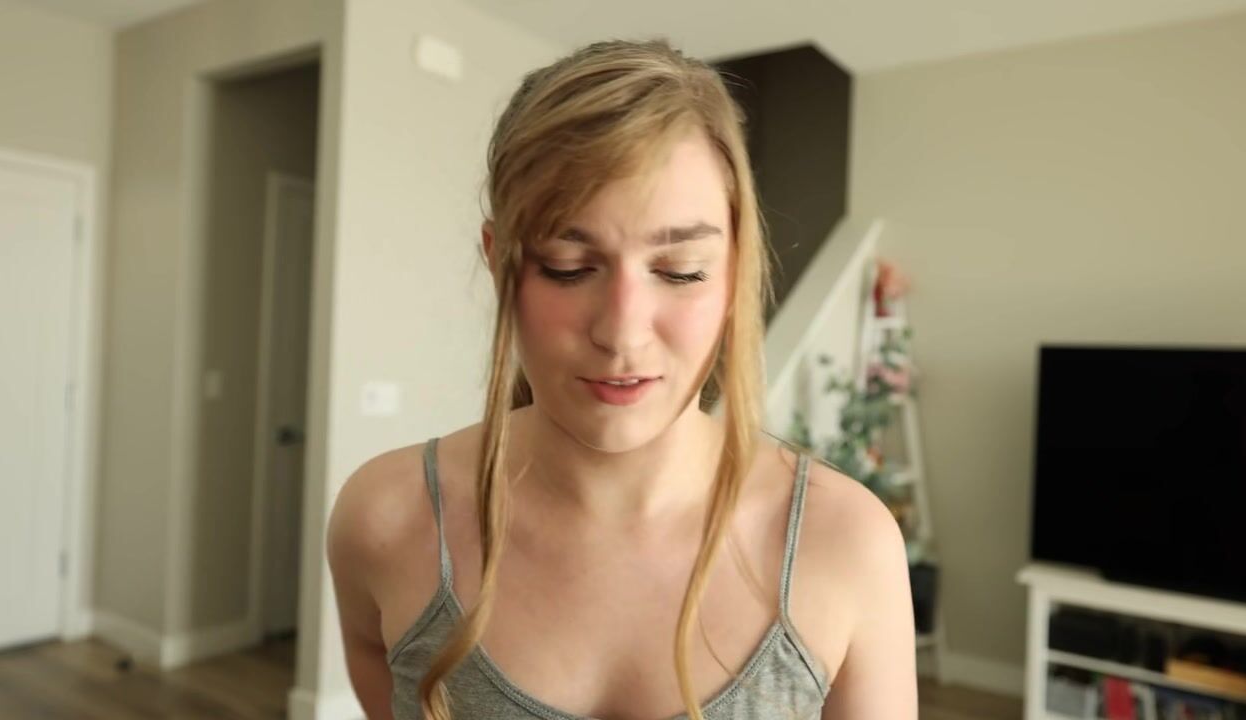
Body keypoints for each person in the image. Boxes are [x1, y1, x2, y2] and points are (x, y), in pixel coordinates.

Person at [327, 39, 917, 720]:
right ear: (499, 262)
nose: (623, 332)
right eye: (568, 267)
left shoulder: (845, 544)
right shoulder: (387, 519)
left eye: (681, 271)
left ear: (736, 269)